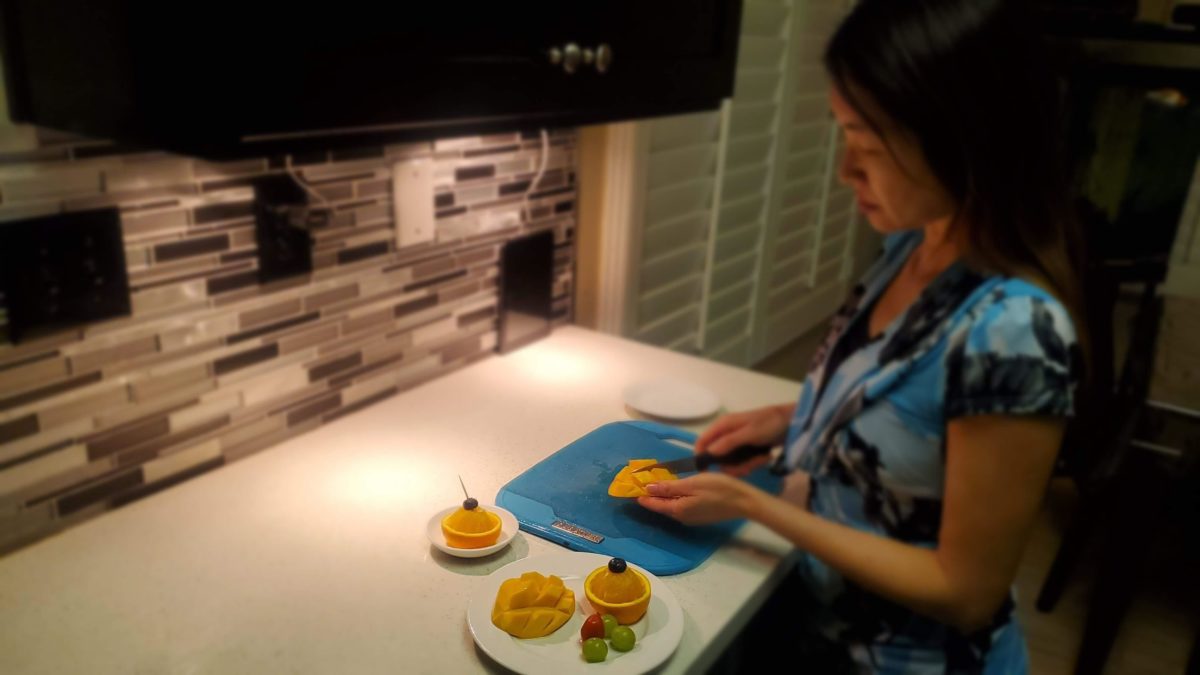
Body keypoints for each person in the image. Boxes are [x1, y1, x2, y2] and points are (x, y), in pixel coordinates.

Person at [636, 1, 1084, 672]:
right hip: (817, 625)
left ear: (962, 141)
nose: (845, 170)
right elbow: (919, 418)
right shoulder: (913, 247)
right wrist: (795, 420)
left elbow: (965, 590)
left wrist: (755, 505)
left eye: (868, 146)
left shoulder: (1014, 332)